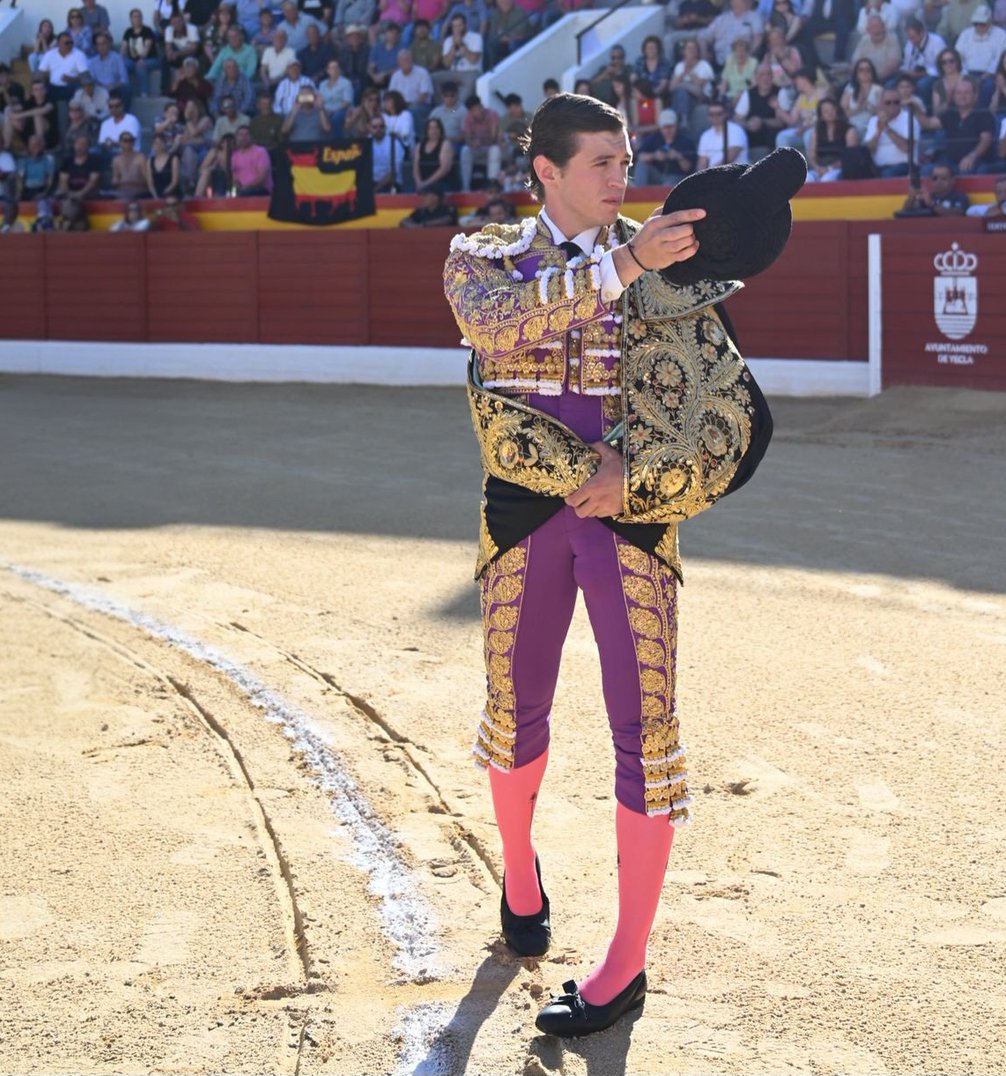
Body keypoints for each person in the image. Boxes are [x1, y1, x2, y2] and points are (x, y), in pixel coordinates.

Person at [442, 90, 769, 1040]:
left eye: (626, 161)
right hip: (525, 512)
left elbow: (719, 405)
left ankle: (625, 962)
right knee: (513, 707)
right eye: (602, 163)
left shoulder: (672, 264)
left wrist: (640, 469)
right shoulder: (484, 255)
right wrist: (625, 262)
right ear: (546, 170)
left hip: (627, 512)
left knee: (649, 730)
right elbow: (494, 328)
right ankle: (518, 869)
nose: (623, 179)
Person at [632, 108, 698, 184]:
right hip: (658, 174)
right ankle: (638, 193)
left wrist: (678, 157)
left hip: (676, 176)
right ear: (660, 128)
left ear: (676, 126)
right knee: (642, 164)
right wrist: (654, 156)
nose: (668, 130)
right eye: (665, 127)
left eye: (670, 127)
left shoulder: (685, 141)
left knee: (669, 184)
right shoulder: (655, 138)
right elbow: (640, 156)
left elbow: (688, 168)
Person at [807, 97, 859, 180]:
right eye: (826, 111)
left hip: (840, 169)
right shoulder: (817, 131)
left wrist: (829, 168)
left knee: (827, 180)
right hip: (820, 168)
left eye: (832, 109)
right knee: (806, 179)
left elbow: (850, 157)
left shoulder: (849, 130)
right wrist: (817, 167)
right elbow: (811, 155)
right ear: (821, 115)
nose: (830, 113)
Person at [864, 87, 913, 176]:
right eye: (888, 102)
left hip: (902, 165)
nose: (892, 105)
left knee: (886, 175)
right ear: (881, 104)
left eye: (896, 102)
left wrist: (887, 128)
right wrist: (878, 131)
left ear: (900, 103)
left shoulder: (909, 118)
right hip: (877, 166)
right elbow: (868, 149)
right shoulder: (873, 120)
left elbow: (907, 148)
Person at [669, 39, 716, 127]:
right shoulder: (679, 66)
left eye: (694, 48)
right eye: (688, 48)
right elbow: (671, 87)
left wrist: (689, 72)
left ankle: (680, 120)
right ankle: (683, 120)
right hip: (683, 95)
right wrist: (683, 73)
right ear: (684, 51)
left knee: (681, 90)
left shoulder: (704, 65)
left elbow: (699, 86)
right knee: (680, 92)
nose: (691, 50)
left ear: (698, 52)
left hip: (700, 96)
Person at [898, 160, 970, 213]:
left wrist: (931, 203)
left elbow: (956, 215)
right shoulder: (928, 197)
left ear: (952, 180)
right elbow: (906, 211)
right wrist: (911, 197)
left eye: (943, 178)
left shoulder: (960, 197)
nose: (938, 181)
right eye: (935, 178)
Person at [696, 100, 749, 167]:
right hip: (713, 174)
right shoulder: (705, 135)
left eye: (719, 114)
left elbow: (729, 158)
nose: (715, 117)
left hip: (734, 173)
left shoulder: (736, 130)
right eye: (711, 114)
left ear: (726, 114)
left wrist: (710, 173)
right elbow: (702, 162)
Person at [121, 9, 161, 98]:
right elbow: (123, 47)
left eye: (139, 16)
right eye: (134, 17)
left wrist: (141, 58)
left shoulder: (147, 30)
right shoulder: (128, 32)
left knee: (140, 65)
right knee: (122, 65)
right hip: (132, 60)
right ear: (131, 19)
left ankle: (144, 93)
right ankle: (125, 91)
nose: (137, 18)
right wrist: (120, 59)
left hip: (150, 59)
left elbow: (147, 46)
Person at [851, 15, 902, 81]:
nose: (876, 30)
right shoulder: (864, 40)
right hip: (863, 80)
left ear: (883, 27)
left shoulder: (892, 39)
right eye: (873, 27)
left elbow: (893, 65)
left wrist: (873, 79)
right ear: (868, 30)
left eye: (878, 26)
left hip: (885, 79)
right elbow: (855, 62)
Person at [841, 58, 883, 138]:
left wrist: (868, 106)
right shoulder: (850, 88)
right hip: (852, 127)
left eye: (868, 70)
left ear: (872, 72)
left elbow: (882, 113)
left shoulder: (878, 89)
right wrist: (859, 108)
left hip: (872, 126)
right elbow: (842, 113)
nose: (865, 73)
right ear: (856, 73)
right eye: (861, 70)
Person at [414, 115, 457, 191]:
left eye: (436, 128)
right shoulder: (419, 146)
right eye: (430, 128)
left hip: (441, 183)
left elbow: (444, 169)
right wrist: (419, 183)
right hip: (423, 184)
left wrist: (426, 183)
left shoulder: (445, 144)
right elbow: (416, 169)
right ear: (426, 131)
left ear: (440, 130)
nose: (433, 131)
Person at [230, 124, 271, 194]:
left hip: (261, 189)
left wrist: (246, 187)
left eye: (246, 134)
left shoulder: (260, 151)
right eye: (241, 135)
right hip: (242, 191)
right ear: (236, 138)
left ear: (251, 137)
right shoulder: (234, 155)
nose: (244, 137)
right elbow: (234, 179)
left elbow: (262, 177)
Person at [369, 115, 404, 190]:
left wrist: (376, 188)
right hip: (370, 183)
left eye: (381, 126)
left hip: (391, 184)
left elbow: (394, 172)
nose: (378, 129)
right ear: (370, 128)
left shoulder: (395, 143)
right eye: (375, 127)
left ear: (385, 127)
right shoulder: (366, 143)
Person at [144, 131, 180, 196]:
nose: (158, 145)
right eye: (155, 143)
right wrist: (155, 195)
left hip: (171, 193)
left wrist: (164, 194)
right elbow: (150, 183)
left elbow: (174, 182)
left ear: (165, 143)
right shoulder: (149, 161)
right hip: (155, 193)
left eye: (161, 142)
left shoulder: (173, 159)